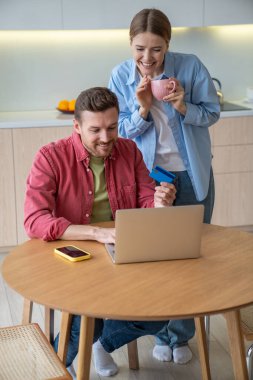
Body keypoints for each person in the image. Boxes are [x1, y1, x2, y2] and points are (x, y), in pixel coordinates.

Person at [24, 87, 176, 377]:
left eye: (112, 127)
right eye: (95, 130)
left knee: (162, 312)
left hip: (123, 249)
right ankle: (56, 366)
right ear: (77, 126)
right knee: (85, 319)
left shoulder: (129, 151)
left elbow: (145, 202)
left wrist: (159, 203)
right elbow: (34, 220)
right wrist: (96, 233)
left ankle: (102, 344)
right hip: (73, 256)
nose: (106, 138)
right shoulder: (50, 157)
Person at [108, 8, 220, 365]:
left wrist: (183, 106)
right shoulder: (120, 75)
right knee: (156, 259)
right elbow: (118, 131)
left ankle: (180, 334)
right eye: (140, 48)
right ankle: (159, 331)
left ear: (168, 45)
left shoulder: (190, 67)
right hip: (148, 178)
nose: (147, 58)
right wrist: (142, 110)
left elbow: (212, 112)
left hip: (191, 174)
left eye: (156, 49)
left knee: (189, 256)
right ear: (130, 44)